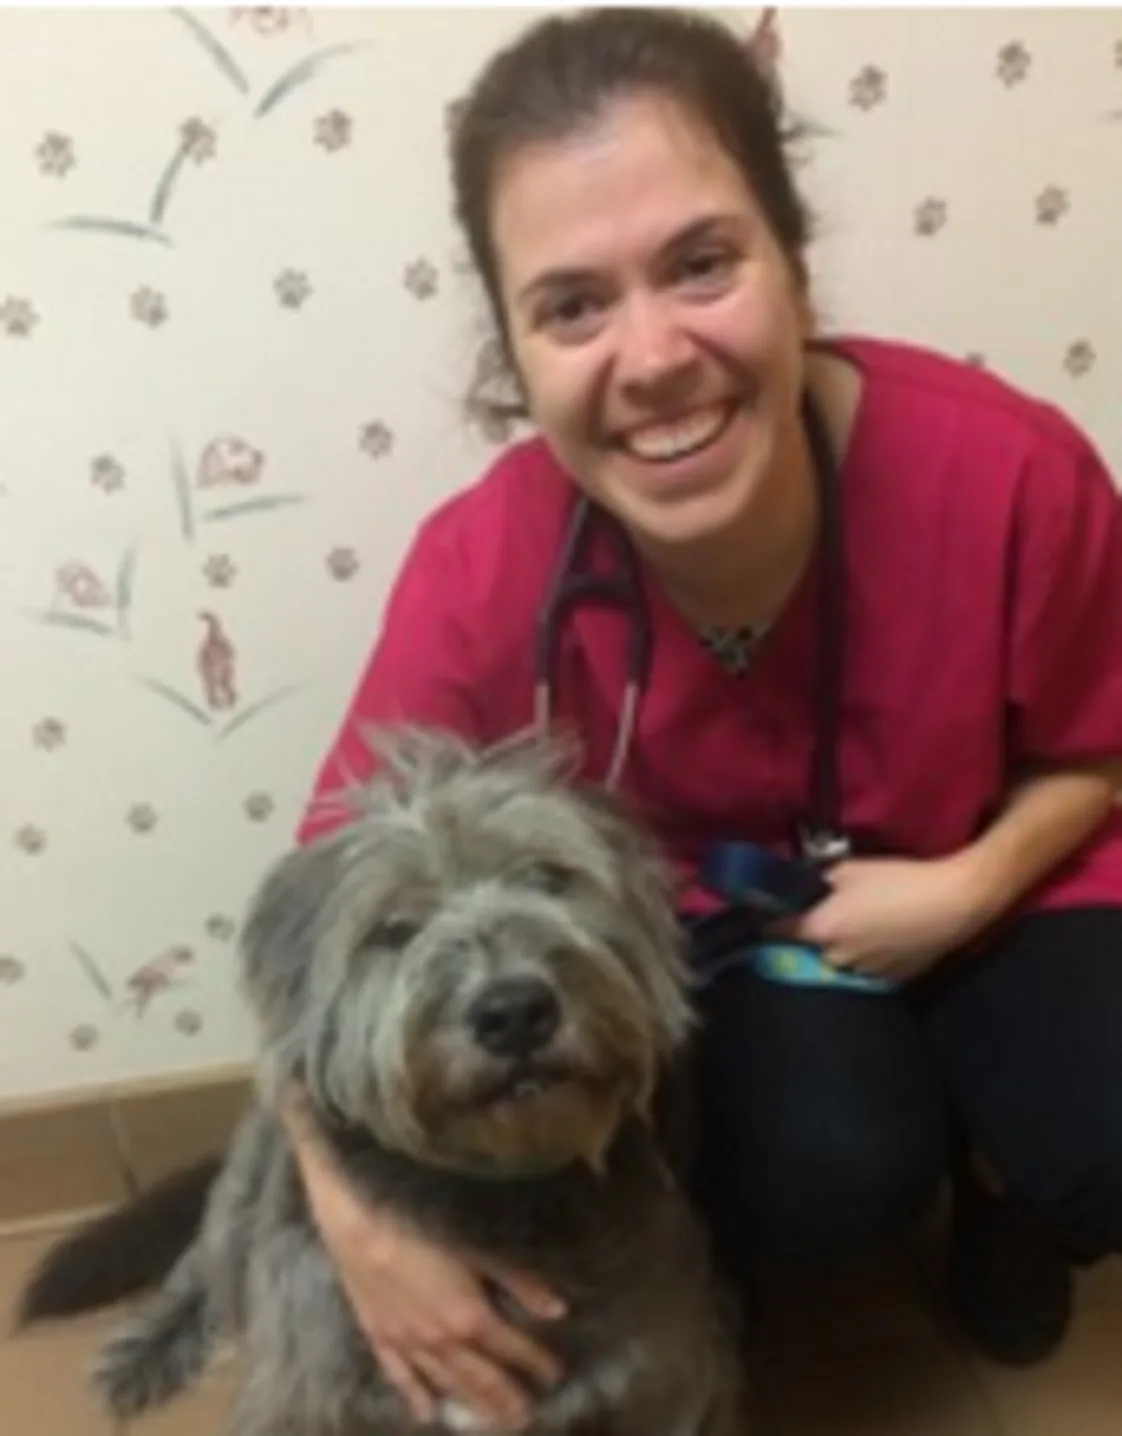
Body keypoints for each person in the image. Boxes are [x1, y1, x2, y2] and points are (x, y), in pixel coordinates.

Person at [280, 6, 1122, 1427]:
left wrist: (963, 886)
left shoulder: (1010, 473)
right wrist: (360, 1224)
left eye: (699, 264)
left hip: (1003, 879)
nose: (654, 355)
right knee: (823, 1168)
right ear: (515, 349)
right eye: (571, 305)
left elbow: (1101, 739)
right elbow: (316, 933)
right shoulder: (484, 573)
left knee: (1104, 1130)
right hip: (743, 958)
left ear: (793, 267)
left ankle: (1008, 1196)